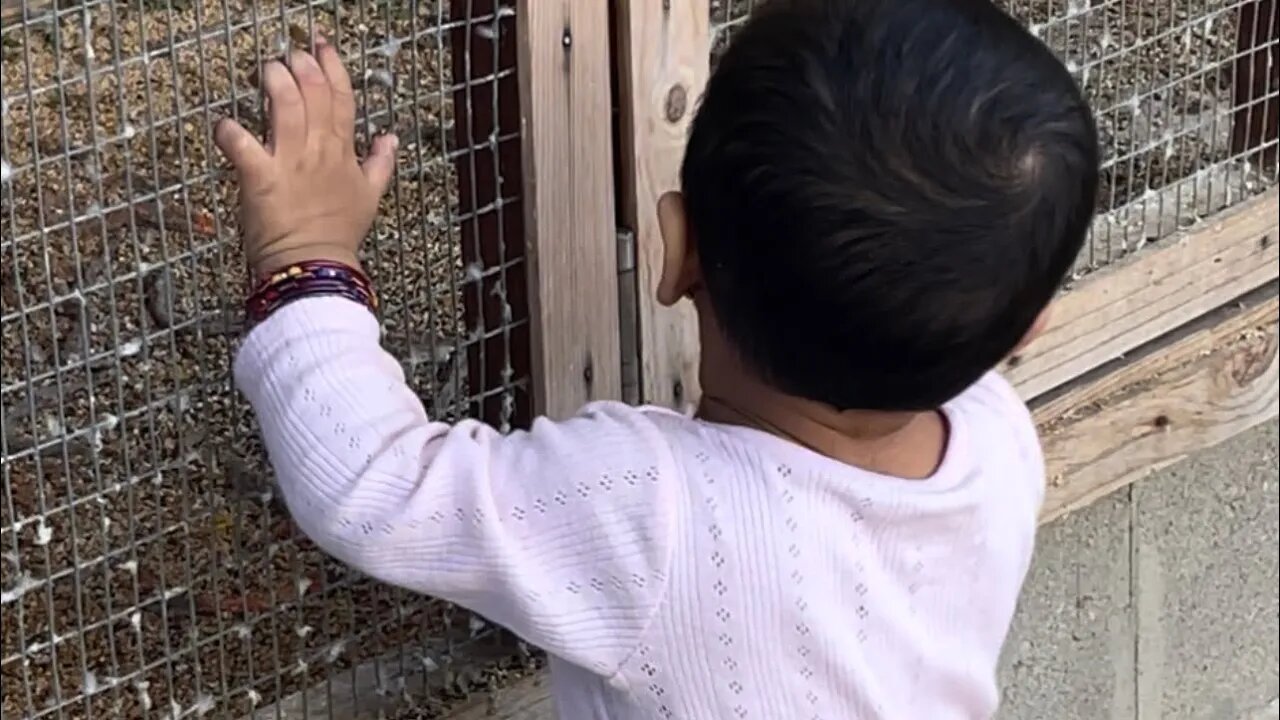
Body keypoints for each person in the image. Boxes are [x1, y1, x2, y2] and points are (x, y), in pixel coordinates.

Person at [214, 0, 1098, 717]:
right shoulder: (999, 442)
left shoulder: (656, 514)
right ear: (1027, 331)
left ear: (674, 255)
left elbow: (374, 487)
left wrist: (306, 255)